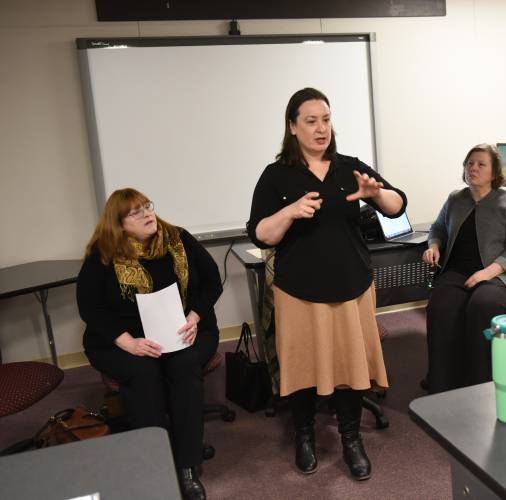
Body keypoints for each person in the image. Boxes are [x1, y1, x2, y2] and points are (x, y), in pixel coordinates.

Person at [246, 88, 405, 480]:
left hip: (351, 286)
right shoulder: (276, 175)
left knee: (351, 367)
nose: (321, 129)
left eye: (326, 120)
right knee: (302, 367)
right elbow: (260, 234)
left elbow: (398, 204)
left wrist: (376, 194)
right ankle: (304, 436)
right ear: (292, 127)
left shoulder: (348, 166)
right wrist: (289, 211)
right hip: (298, 290)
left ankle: (352, 439)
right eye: (311, 121)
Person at [77, 188, 222, 500]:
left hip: (187, 329)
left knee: (182, 365)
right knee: (143, 372)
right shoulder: (103, 253)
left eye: (147, 207)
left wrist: (195, 317)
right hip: (121, 339)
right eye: (135, 212)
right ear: (118, 224)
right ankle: (155, 462)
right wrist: (126, 341)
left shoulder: (178, 239)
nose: (147, 214)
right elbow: (89, 307)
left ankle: (186, 465)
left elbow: (212, 281)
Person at [422, 143, 506, 394]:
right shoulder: (456, 198)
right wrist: (434, 246)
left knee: (483, 306)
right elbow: (438, 228)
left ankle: (481, 384)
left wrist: (486, 273)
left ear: (494, 173)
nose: (473, 168)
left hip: (500, 274)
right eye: (469, 163)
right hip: (458, 271)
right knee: (441, 307)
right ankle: (442, 383)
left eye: (481, 164)